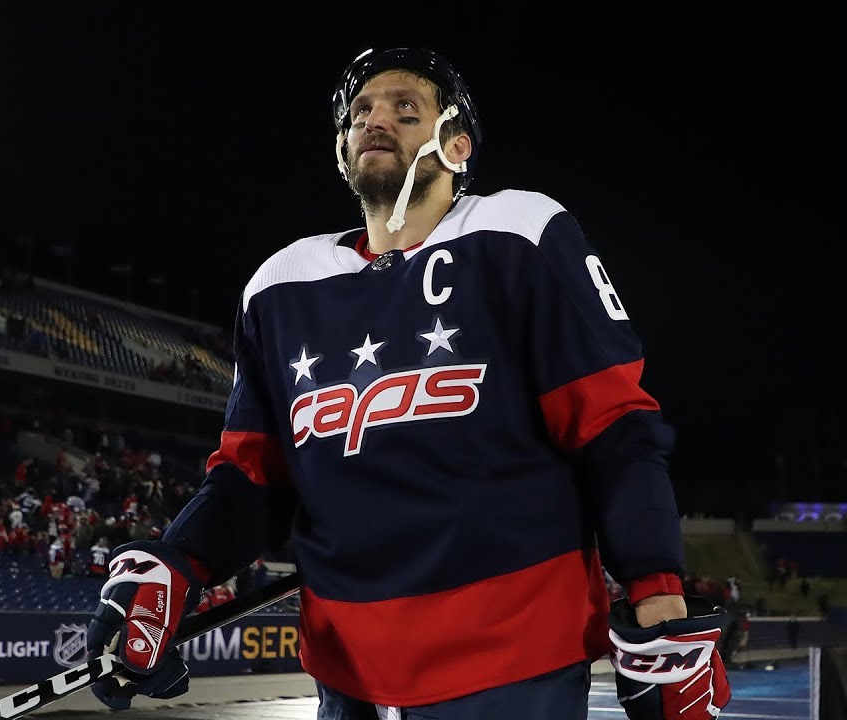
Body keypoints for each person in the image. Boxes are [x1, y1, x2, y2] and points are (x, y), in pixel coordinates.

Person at [85, 47, 731, 720]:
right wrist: (175, 563)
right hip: (346, 673)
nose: (376, 120)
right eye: (360, 112)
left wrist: (657, 592)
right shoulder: (280, 287)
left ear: (456, 144)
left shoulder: (519, 233)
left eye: (405, 108)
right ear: (342, 153)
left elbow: (612, 427)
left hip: (512, 660)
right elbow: (254, 478)